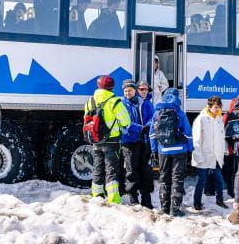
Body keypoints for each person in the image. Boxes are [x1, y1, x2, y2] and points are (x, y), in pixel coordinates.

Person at [83, 75, 131, 204]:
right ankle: (113, 198)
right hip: (111, 141)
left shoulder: (90, 101)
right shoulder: (115, 102)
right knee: (111, 170)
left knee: (97, 168)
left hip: (96, 139)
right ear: (112, 87)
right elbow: (126, 121)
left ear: (98, 86)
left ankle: (97, 193)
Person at [150, 88, 193, 216]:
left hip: (163, 150)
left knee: (164, 178)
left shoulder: (157, 112)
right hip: (180, 150)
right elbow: (188, 133)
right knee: (177, 179)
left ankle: (164, 207)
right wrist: (190, 149)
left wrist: (154, 150)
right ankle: (175, 209)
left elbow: (152, 133)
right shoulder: (179, 112)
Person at [120, 80, 154, 208]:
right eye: (125, 90)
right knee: (131, 170)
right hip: (128, 141)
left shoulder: (144, 103)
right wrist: (140, 128)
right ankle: (133, 198)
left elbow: (153, 117)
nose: (128, 92)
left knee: (145, 170)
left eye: (130, 90)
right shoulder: (122, 104)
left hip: (143, 141)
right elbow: (124, 123)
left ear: (135, 90)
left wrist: (148, 127)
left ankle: (146, 198)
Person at [192, 96, 228, 210]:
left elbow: (222, 137)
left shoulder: (219, 119)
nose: (218, 109)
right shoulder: (201, 119)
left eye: (219, 107)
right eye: (216, 107)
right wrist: (198, 155)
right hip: (203, 154)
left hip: (216, 155)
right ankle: (197, 203)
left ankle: (220, 199)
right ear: (209, 107)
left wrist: (223, 150)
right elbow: (196, 139)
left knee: (219, 179)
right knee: (202, 180)